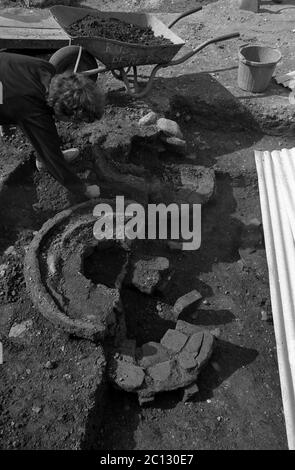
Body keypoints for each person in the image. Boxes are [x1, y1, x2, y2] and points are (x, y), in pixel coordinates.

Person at [0, 51, 104, 199]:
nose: (75, 124)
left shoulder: (47, 69)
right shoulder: (32, 107)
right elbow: (52, 159)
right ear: (63, 111)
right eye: (75, 120)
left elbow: (9, 80)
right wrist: (84, 190)